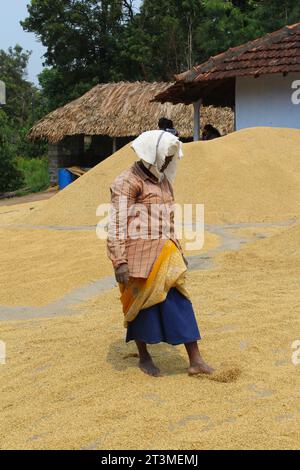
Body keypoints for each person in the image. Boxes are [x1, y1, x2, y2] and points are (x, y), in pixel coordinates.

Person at [107, 130, 213, 377]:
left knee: (180, 302)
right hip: (137, 256)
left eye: (170, 157)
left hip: (166, 254)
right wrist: (119, 261)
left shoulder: (163, 181)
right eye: (165, 156)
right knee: (140, 307)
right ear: (151, 153)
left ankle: (195, 359)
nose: (167, 161)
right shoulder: (127, 181)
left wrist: (178, 248)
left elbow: (169, 220)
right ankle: (144, 357)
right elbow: (116, 224)